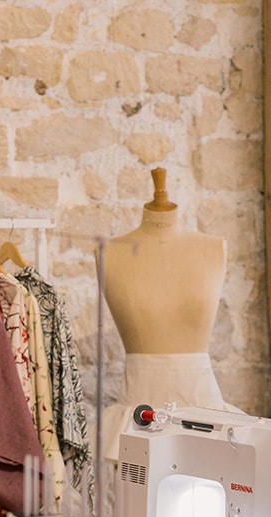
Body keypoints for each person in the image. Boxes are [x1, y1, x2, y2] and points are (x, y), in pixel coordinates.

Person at [101, 168, 242, 461]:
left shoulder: (212, 249)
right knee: (138, 499)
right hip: (140, 405)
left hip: (203, 404)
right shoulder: (111, 252)